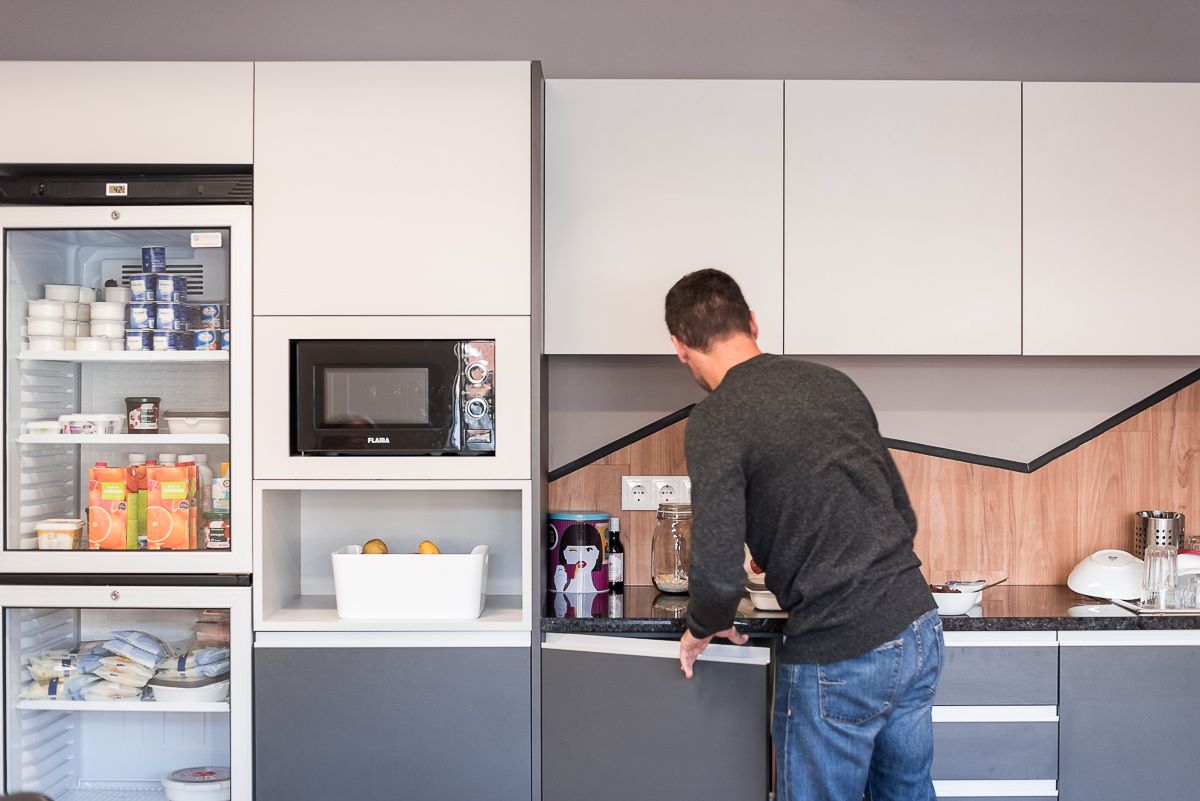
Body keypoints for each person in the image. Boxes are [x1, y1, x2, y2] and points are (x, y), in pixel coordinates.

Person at [666, 268, 941, 801]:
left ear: (680, 347)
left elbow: (719, 574)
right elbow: (899, 516)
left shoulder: (716, 418)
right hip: (917, 626)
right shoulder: (832, 383)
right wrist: (793, 549)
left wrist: (703, 626)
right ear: (752, 322)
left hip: (840, 649)